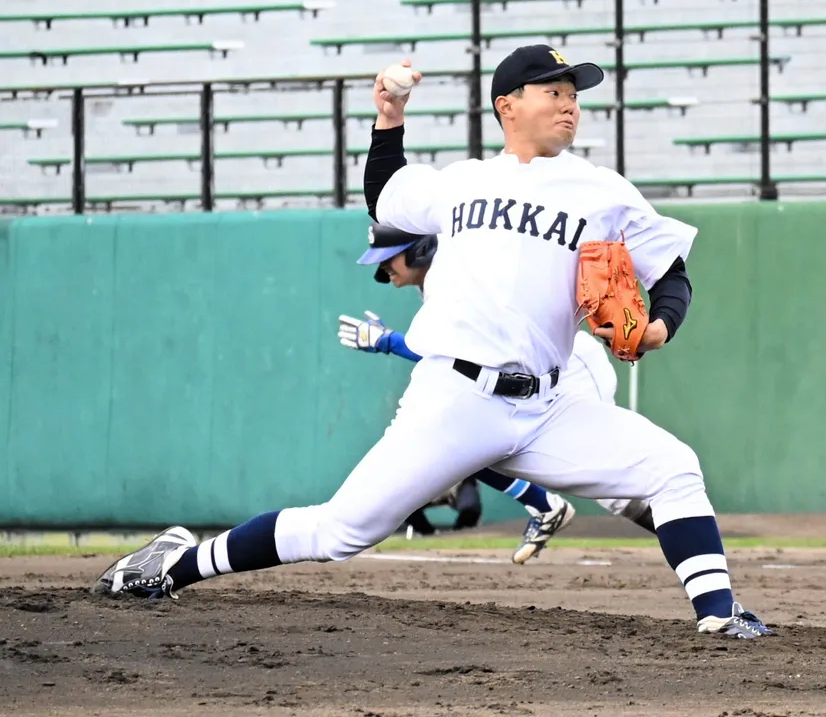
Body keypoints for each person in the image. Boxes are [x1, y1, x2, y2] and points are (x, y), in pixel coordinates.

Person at [94, 46, 770, 639]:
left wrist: (659, 325)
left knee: (672, 466)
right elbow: (384, 193)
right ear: (509, 105)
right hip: (455, 398)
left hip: (548, 405)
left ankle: (719, 613)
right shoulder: (460, 183)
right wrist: (389, 116)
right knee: (339, 532)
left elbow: (670, 272)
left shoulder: (602, 191)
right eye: (554, 92)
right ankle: (172, 566)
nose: (570, 106)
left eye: (575, 95)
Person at [339, 223, 657, 557]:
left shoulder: (454, 272)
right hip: (522, 373)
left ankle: (684, 515)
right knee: (468, 441)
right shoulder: (442, 269)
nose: (384, 267)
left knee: (616, 490)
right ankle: (546, 505)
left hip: (566, 367)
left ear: (419, 250)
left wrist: (387, 341)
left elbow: (442, 349)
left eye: (389, 257)